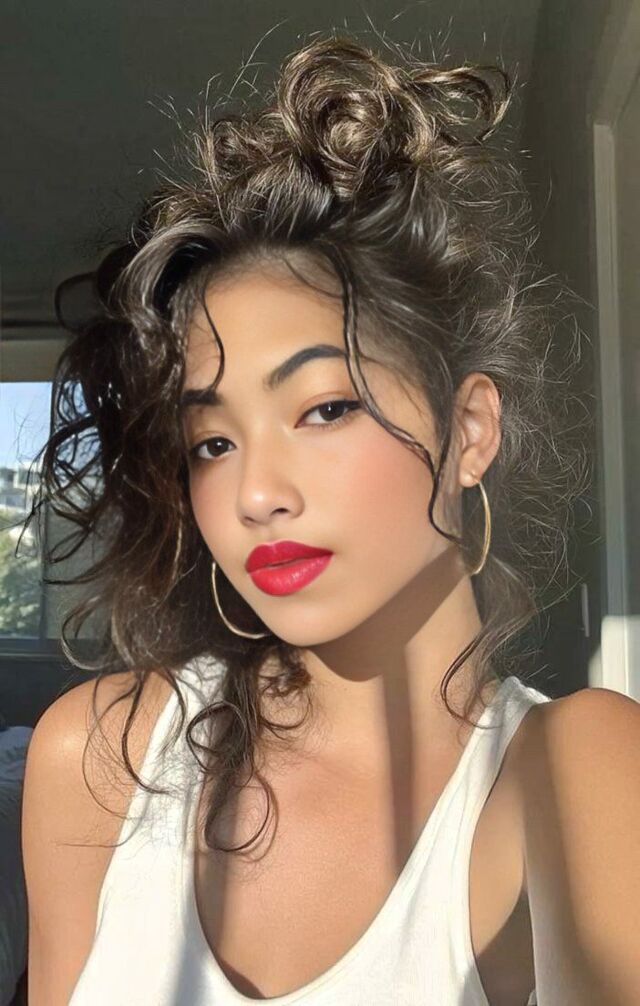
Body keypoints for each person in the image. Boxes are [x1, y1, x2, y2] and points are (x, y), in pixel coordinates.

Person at [19, 30, 640, 1006]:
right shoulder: (99, 757)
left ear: (470, 431)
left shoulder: (575, 773)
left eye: (324, 408)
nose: (255, 492)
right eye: (210, 442)